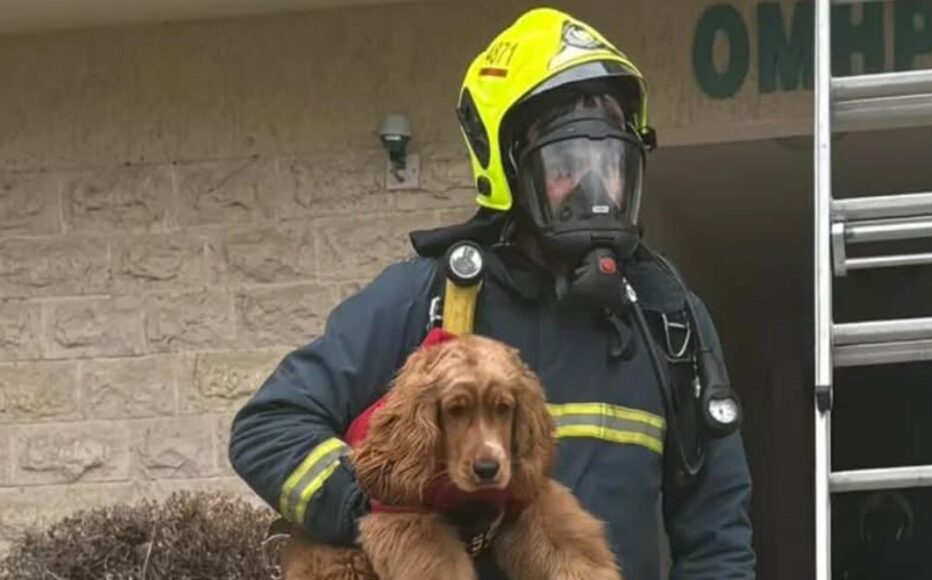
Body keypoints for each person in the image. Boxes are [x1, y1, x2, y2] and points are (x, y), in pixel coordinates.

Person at [230, 7, 755, 579]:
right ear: (507, 166)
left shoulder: (667, 318)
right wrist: (370, 505)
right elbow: (268, 427)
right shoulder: (428, 296)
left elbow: (717, 530)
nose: (594, 187)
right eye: (568, 165)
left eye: (612, 163)